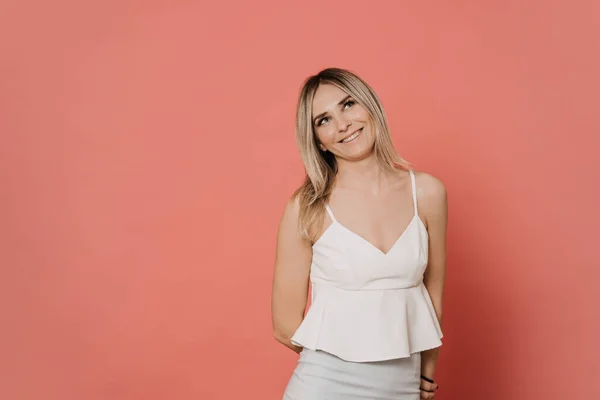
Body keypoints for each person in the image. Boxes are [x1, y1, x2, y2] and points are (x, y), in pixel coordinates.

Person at [271, 67, 447, 399]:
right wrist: (348, 359)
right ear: (318, 142)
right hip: (323, 385)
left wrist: (425, 374)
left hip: (403, 387)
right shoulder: (306, 207)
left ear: (370, 106)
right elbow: (284, 325)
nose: (342, 124)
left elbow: (433, 296)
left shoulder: (427, 192)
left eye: (348, 104)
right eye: (323, 120)